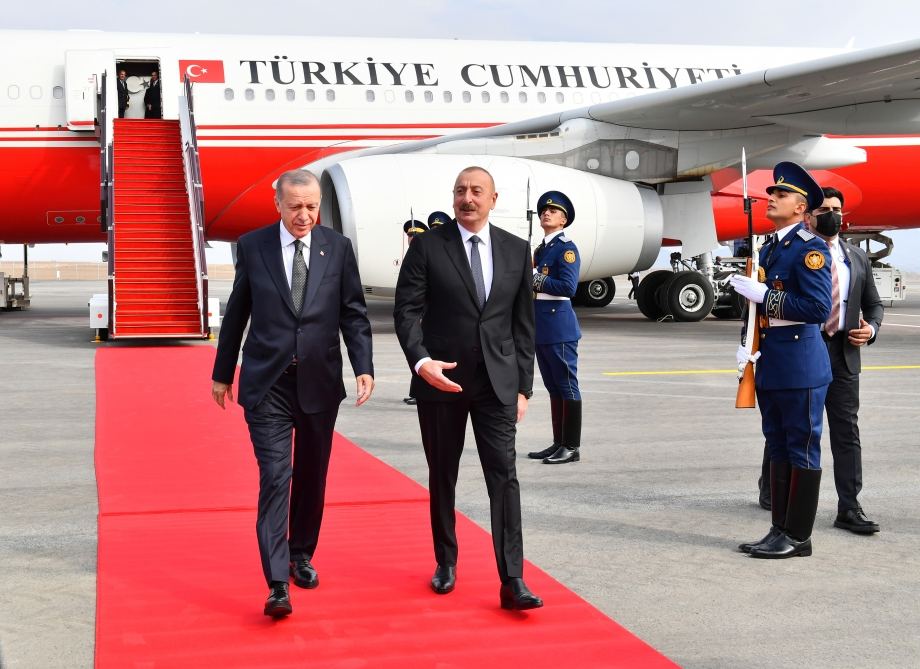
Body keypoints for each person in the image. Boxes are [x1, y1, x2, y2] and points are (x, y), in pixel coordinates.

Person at [211, 169, 374, 618]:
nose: (305, 215)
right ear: (277, 206)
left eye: (312, 206)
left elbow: (353, 313)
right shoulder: (253, 246)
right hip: (268, 384)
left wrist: (364, 366)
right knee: (275, 477)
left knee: (311, 476)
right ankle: (277, 582)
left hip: (320, 381)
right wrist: (223, 373)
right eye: (295, 206)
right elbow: (237, 314)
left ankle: (302, 554)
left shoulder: (337, 248)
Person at [393, 166, 542, 610]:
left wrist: (524, 388)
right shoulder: (427, 247)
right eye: (460, 191)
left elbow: (523, 325)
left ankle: (512, 578)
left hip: (497, 385)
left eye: (477, 191)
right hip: (442, 381)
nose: (467, 198)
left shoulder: (516, 251)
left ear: (494, 198)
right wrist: (421, 363)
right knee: (443, 476)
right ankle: (446, 561)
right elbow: (406, 312)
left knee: (505, 478)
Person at [755, 186, 883, 533]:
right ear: (808, 213)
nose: (833, 215)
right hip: (805, 347)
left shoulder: (854, 257)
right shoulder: (788, 249)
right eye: (826, 208)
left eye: (837, 209)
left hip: (842, 350)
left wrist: (870, 329)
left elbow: (873, 304)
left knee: (844, 432)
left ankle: (849, 506)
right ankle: (775, 497)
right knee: (787, 431)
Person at [730, 161, 832, 559]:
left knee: (802, 447)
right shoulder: (771, 248)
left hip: (801, 364)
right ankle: (778, 529)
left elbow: (817, 307)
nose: (771, 198)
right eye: (772, 193)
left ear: (801, 207)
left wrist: (764, 296)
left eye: (781, 194)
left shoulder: (811, 249)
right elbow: (757, 315)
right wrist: (746, 346)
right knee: (777, 446)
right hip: (771, 360)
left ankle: (799, 536)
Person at [526, 191, 583, 465]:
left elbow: (569, 288)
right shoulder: (543, 249)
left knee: (567, 386)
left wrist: (536, 279)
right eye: (543, 210)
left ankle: (571, 446)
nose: (546, 213)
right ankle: (558, 442)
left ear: (563, 220)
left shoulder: (566, 249)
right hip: (542, 326)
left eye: (553, 211)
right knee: (553, 387)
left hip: (559, 326)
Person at [401, 219, 428, 406]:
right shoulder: (411, 255)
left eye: (415, 235)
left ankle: (420, 391)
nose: (412, 238)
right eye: (410, 235)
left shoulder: (425, 254)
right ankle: (417, 391)